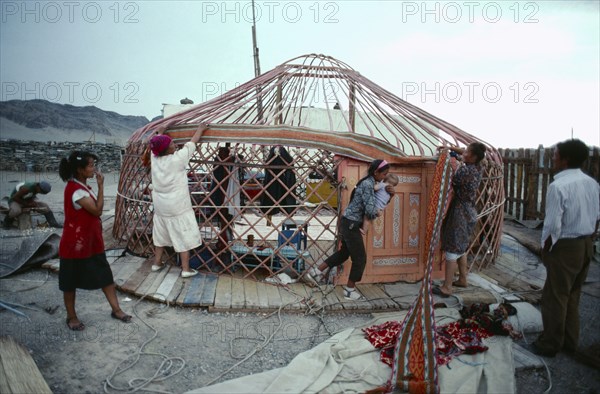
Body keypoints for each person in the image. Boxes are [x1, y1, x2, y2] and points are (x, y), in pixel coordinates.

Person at [532, 139, 599, 357]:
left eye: (555, 154)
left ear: (565, 159)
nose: (553, 158)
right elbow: (597, 216)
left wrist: (546, 250)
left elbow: (552, 225)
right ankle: (570, 341)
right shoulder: (592, 183)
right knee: (573, 293)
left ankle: (550, 344)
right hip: (586, 244)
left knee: (555, 296)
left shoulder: (558, 186)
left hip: (565, 246)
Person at [58, 151, 131, 331]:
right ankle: (71, 317)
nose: (94, 169)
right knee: (70, 282)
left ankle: (116, 309)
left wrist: (96, 186)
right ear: (80, 170)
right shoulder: (75, 191)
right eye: (90, 166)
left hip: (91, 243)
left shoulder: (82, 187)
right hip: (75, 245)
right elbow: (97, 211)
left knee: (105, 277)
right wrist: (101, 186)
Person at [304, 159, 394, 300]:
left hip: (348, 222)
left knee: (344, 253)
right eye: (384, 174)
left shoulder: (369, 182)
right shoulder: (368, 184)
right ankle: (349, 290)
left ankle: (315, 272)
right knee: (360, 258)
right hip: (352, 224)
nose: (384, 177)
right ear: (376, 172)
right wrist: (381, 208)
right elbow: (370, 210)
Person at [149, 123, 209, 278]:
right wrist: (200, 130)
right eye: (171, 144)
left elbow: (155, 142)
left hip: (160, 205)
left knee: (160, 233)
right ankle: (186, 269)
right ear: (166, 149)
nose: (174, 145)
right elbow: (192, 143)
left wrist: (160, 131)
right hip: (177, 206)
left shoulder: (154, 158)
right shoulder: (178, 159)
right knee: (183, 235)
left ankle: (156, 264)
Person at [433, 142, 487, 297]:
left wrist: (450, 158)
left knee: (452, 246)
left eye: (468, 152)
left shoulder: (466, 171)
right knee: (461, 246)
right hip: (470, 211)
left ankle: (447, 287)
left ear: (474, 156)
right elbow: (464, 153)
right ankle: (463, 279)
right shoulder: (478, 166)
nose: (464, 153)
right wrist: (451, 149)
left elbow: (453, 178)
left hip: (460, 212)